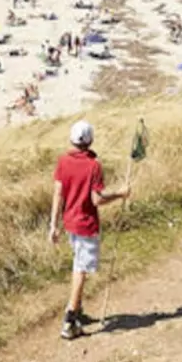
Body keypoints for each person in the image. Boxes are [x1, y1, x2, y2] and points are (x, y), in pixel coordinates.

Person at [48, 120, 130, 340]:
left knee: (78, 263)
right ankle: (70, 319)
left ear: (72, 140)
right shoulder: (94, 166)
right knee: (80, 270)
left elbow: (58, 194)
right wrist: (120, 194)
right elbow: (97, 200)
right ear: (90, 140)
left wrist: (53, 225)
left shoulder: (63, 161)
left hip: (69, 223)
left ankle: (78, 310)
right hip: (86, 224)